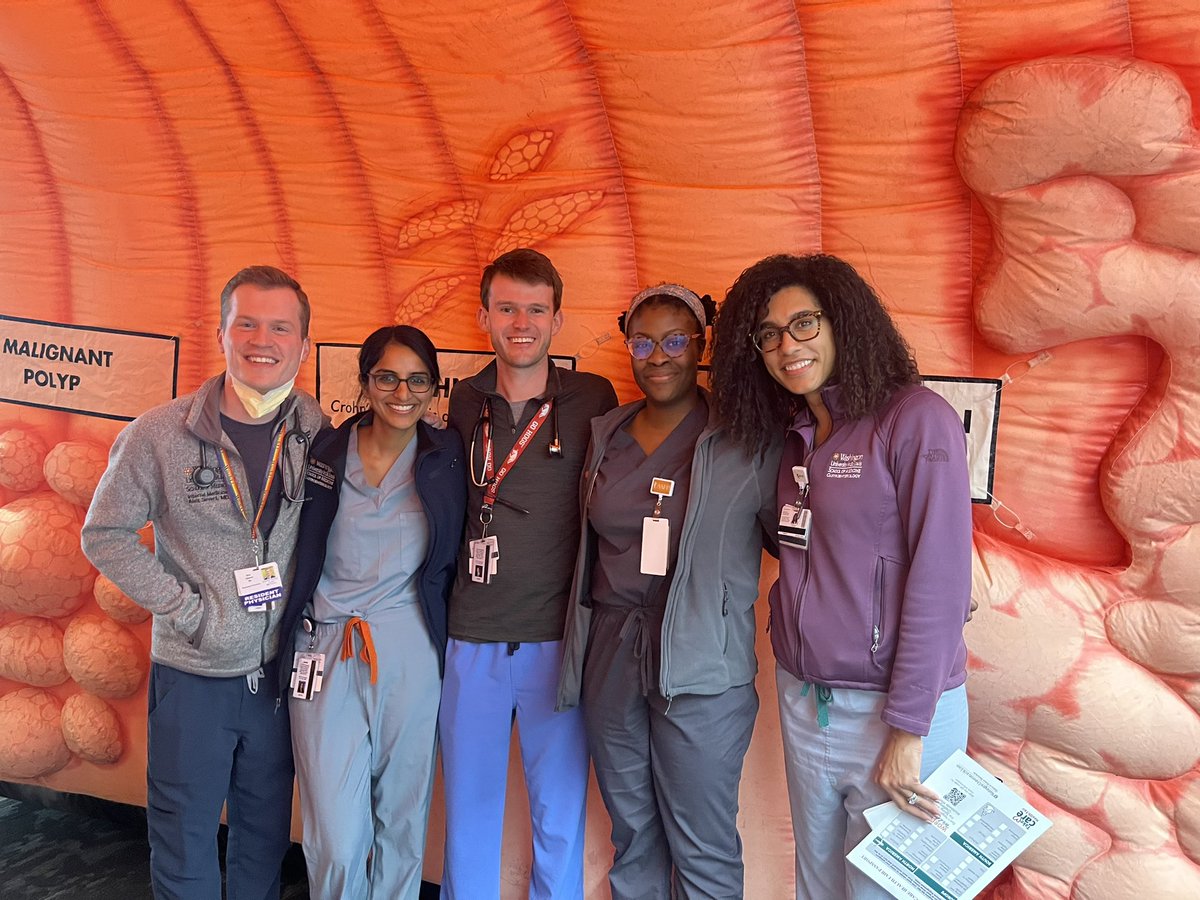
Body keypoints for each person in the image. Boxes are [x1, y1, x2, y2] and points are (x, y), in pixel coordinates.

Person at [710, 253, 973, 900]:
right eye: (768, 335)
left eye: (804, 324)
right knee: (818, 885)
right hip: (808, 702)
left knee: (891, 891)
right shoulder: (795, 434)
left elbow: (941, 585)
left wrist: (910, 730)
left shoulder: (916, 419)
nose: (786, 346)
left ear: (844, 322)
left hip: (899, 711)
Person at [82, 265, 324, 900]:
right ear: (220, 332)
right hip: (193, 675)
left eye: (280, 327)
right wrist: (189, 610)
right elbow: (103, 534)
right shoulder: (159, 434)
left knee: (265, 835)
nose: (261, 340)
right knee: (185, 837)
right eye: (246, 323)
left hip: (276, 677)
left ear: (304, 344)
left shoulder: (314, 430)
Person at [556, 284, 780, 899]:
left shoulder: (745, 439)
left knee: (702, 846)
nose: (659, 356)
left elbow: (795, 540)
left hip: (703, 666)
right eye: (644, 341)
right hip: (612, 653)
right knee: (633, 835)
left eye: (676, 340)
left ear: (702, 346)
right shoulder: (607, 435)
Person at [439, 247, 617, 899]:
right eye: (508, 307)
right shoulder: (458, 404)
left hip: (559, 646)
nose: (522, 322)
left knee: (560, 822)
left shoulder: (594, 398)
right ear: (484, 315)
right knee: (469, 820)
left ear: (557, 320)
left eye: (536, 309)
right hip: (471, 638)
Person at [280, 325, 467, 899]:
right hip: (326, 648)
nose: (402, 391)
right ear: (365, 383)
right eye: (387, 376)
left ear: (435, 388)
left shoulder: (445, 458)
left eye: (418, 380)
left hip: (409, 649)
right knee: (336, 834)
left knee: (402, 821)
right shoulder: (324, 454)